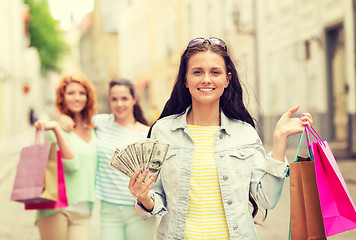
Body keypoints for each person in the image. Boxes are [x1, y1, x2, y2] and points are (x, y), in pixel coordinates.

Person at [128, 37, 313, 240]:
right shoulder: (163, 131)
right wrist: (144, 197)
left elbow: (267, 199)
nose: (206, 79)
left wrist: (279, 139)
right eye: (197, 72)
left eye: (215, 72)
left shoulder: (245, 133)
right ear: (185, 80)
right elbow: (156, 201)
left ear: (227, 79)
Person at [59, 78, 157, 240]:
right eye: (114, 99)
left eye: (124, 98)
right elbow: (75, 121)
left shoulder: (147, 134)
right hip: (108, 210)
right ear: (109, 101)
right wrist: (60, 118)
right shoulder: (100, 123)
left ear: (134, 99)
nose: (119, 104)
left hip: (137, 209)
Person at [33, 74, 98, 240]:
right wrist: (56, 128)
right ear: (62, 97)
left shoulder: (93, 128)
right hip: (56, 209)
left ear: (88, 97)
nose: (77, 98)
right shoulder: (52, 129)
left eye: (82, 93)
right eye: (70, 93)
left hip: (84, 209)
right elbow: (72, 165)